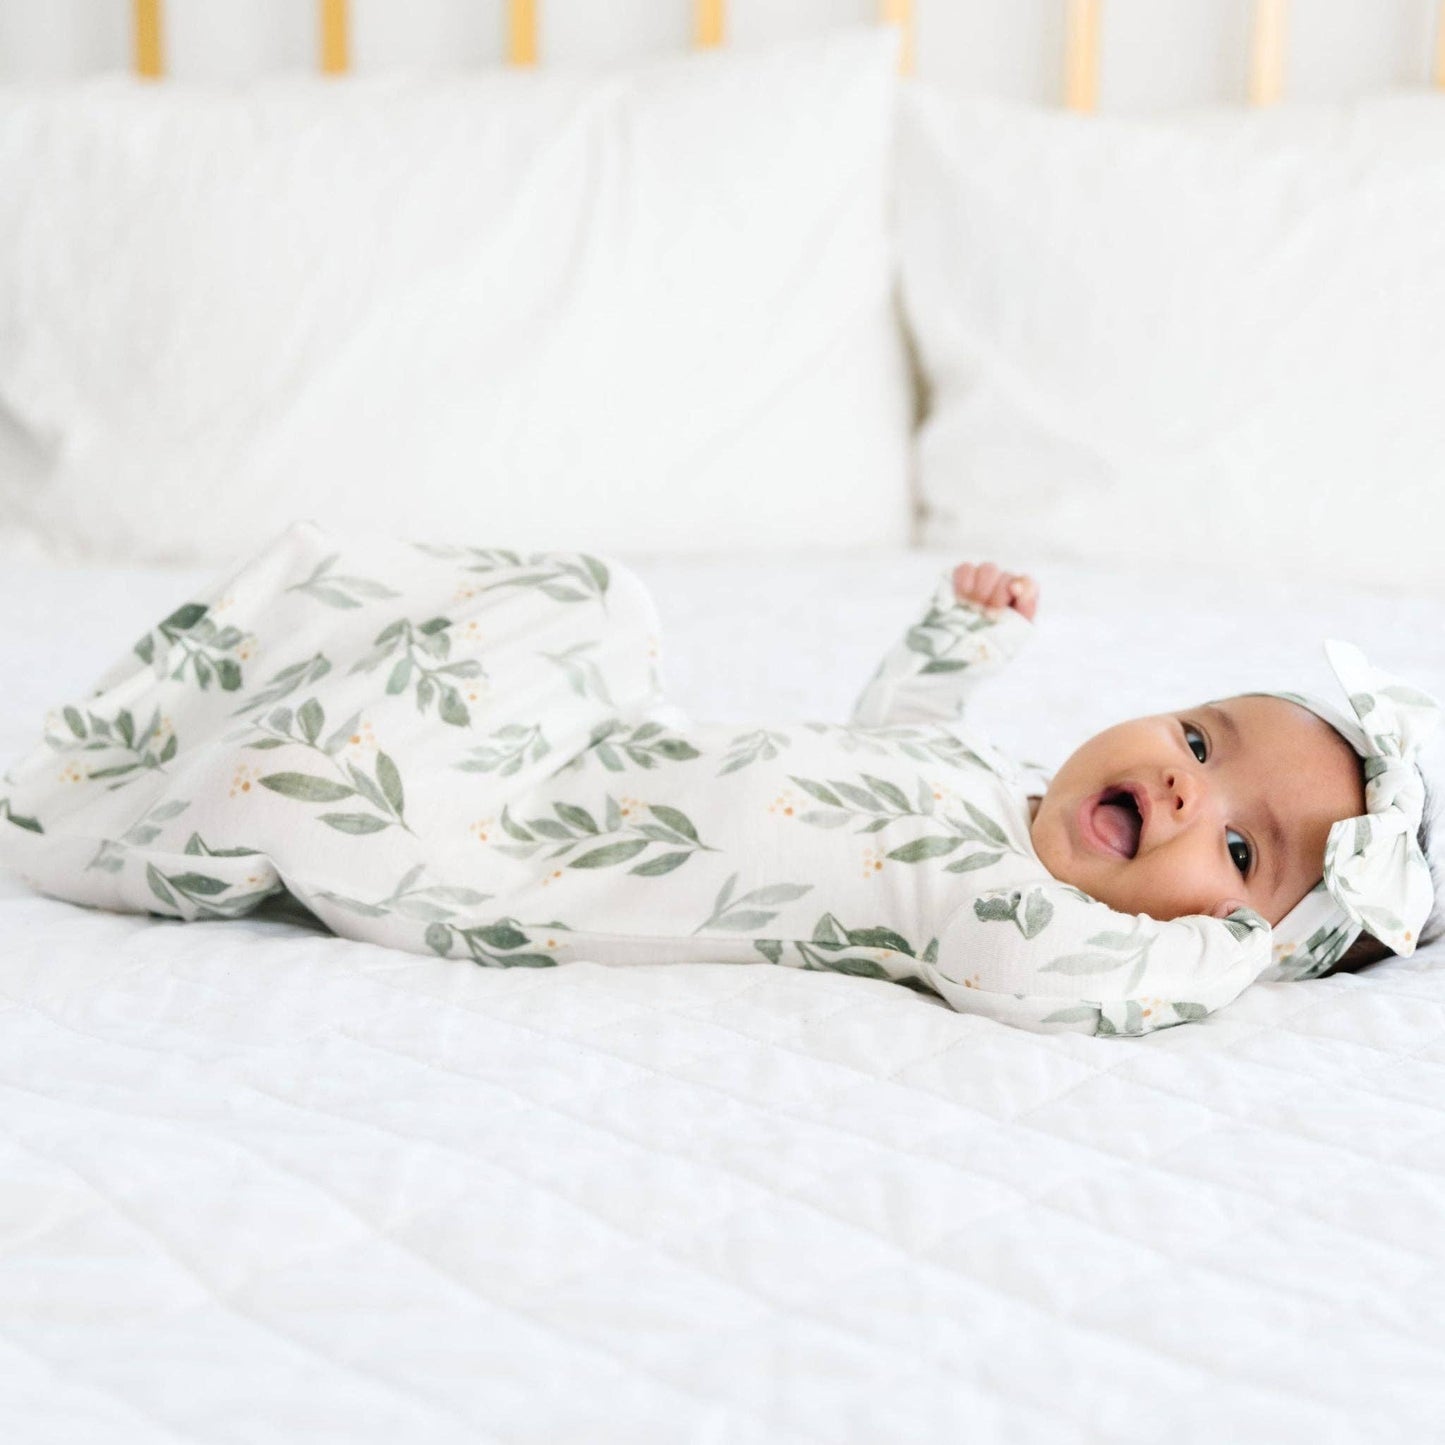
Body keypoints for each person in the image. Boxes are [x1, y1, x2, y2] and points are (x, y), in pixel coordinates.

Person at [1, 522, 1438, 1037]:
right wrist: (958, 641)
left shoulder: (1017, 922)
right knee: (586, 599)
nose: (1186, 792)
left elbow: (1090, 988)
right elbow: (889, 736)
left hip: (502, 852)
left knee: (303, 784)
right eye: (1197, 739)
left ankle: (114, 817)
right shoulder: (1001, 790)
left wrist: (1231, 960)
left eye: (1242, 854)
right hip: (591, 755)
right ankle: (174, 710)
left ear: (1224, 936)